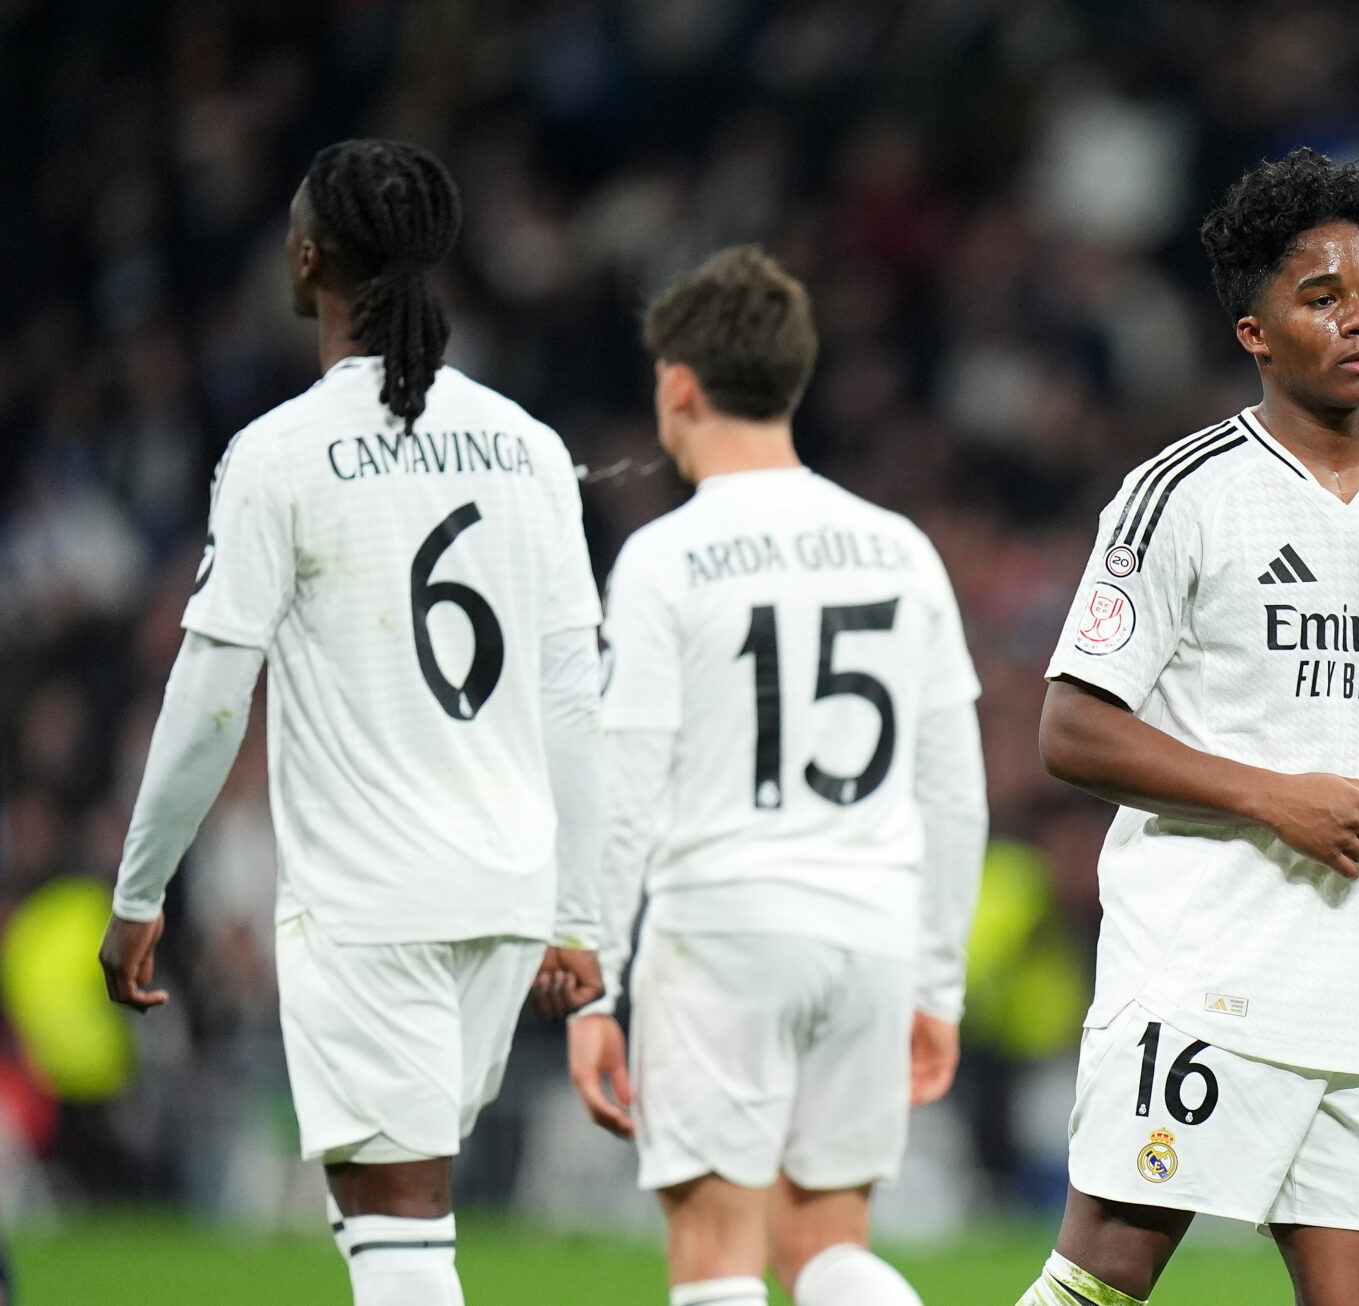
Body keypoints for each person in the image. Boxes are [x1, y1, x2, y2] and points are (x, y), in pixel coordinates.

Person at [1017, 148, 1359, 1306]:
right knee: (1101, 1281)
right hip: (1211, 968)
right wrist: (1275, 793)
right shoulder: (1184, 494)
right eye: (1321, 298)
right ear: (1255, 331)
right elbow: (1071, 727)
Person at [97, 139, 607, 1306]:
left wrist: (139, 891)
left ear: (311, 256)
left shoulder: (278, 455)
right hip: (507, 894)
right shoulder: (531, 448)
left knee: (399, 1222)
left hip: (374, 899)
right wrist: (577, 908)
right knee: (383, 1213)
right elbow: (578, 697)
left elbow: (212, 692)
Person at [566, 245, 988, 1306]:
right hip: (873, 931)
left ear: (677, 383)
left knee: (717, 1259)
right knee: (827, 1251)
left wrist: (594, 982)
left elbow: (626, 785)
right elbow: (955, 790)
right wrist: (936, 978)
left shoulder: (665, 556)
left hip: (727, 928)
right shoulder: (900, 548)